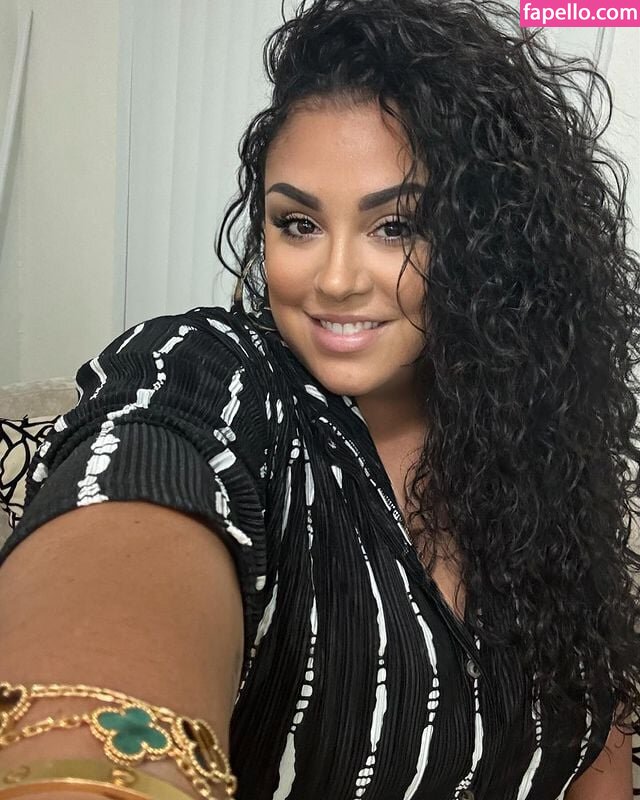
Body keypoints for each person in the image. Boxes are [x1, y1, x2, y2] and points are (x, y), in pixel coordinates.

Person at [0, 0, 638, 797]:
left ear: (488, 244)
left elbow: (598, 730)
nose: (334, 280)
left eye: (396, 226)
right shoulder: (217, 379)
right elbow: (146, 480)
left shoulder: (542, 441)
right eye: (298, 223)